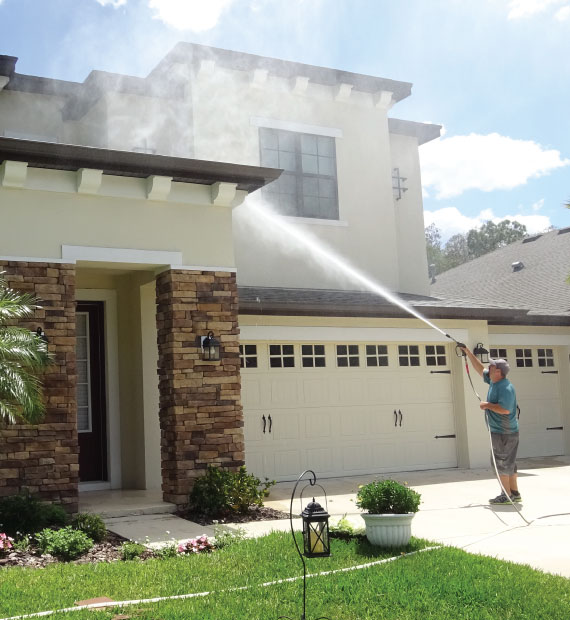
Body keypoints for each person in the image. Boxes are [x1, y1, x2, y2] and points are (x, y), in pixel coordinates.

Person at [460, 346, 521, 505]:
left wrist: (487, 405)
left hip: (504, 432)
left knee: (500, 462)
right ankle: (514, 492)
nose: (489, 367)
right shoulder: (494, 381)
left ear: (498, 372)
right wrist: (468, 352)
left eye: (492, 366)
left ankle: (506, 495)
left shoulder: (505, 388)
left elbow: (505, 410)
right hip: (505, 432)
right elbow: (480, 369)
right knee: (510, 462)